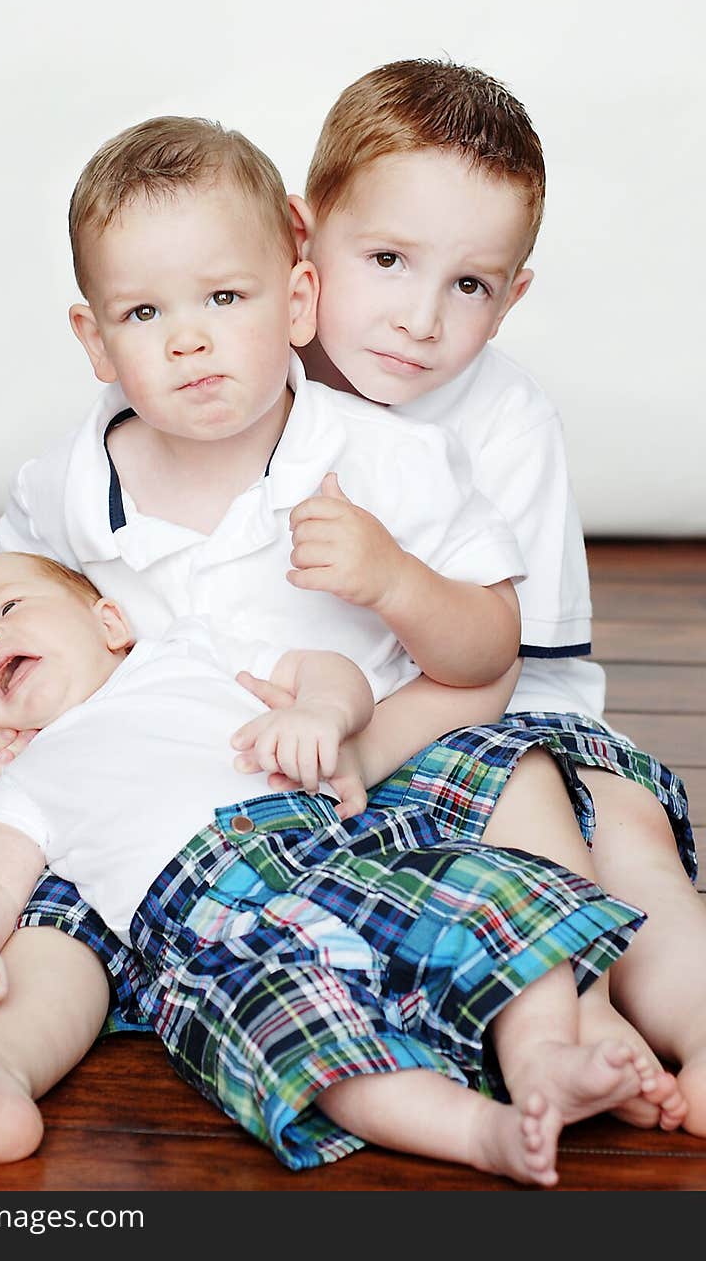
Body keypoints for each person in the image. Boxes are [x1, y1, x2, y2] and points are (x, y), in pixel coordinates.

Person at [0, 114, 679, 1171]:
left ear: (294, 300)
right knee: (53, 880)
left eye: (224, 300)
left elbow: (478, 658)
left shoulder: (378, 458)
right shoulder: (65, 484)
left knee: (498, 834)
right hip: (152, 808)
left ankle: (559, 1026)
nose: (188, 340)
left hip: (350, 769)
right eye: (145, 313)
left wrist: (386, 586)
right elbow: (4, 604)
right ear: (96, 339)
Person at [0, 549, 662, 1186]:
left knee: (490, 897)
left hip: (335, 850)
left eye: (6, 610)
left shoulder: (187, 653)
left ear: (109, 621)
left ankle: (544, 1057)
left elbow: (325, 669)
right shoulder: (24, 780)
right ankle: (482, 1135)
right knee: (304, 1046)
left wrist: (320, 711)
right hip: (208, 936)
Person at [286, 57, 703, 1132]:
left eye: (467, 284)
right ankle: (580, 1017)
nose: (419, 319)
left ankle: (686, 1021)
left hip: (510, 708)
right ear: (302, 237)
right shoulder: (241, 372)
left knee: (623, 832)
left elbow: (526, 672)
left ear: (511, 295)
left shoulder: (504, 419)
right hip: (336, 734)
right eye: (385, 258)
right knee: (477, 867)